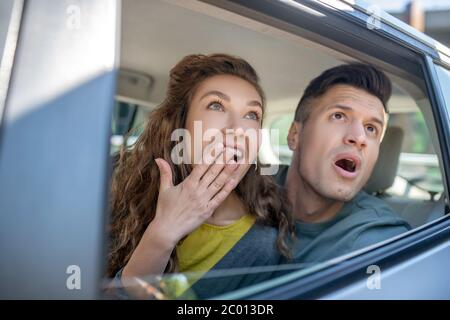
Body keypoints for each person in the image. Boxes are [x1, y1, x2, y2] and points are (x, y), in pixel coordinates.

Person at [107, 53, 294, 299]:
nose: (238, 129)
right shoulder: (116, 182)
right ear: (180, 125)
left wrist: (163, 236)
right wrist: (162, 232)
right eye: (216, 105)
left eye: (252, 115)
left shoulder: (262, 247)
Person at [276, 63, 411, 265]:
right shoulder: (246, 190)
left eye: (371, 128)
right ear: (295, 135)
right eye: (338, 116)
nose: (359, 137)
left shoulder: (379, 242)